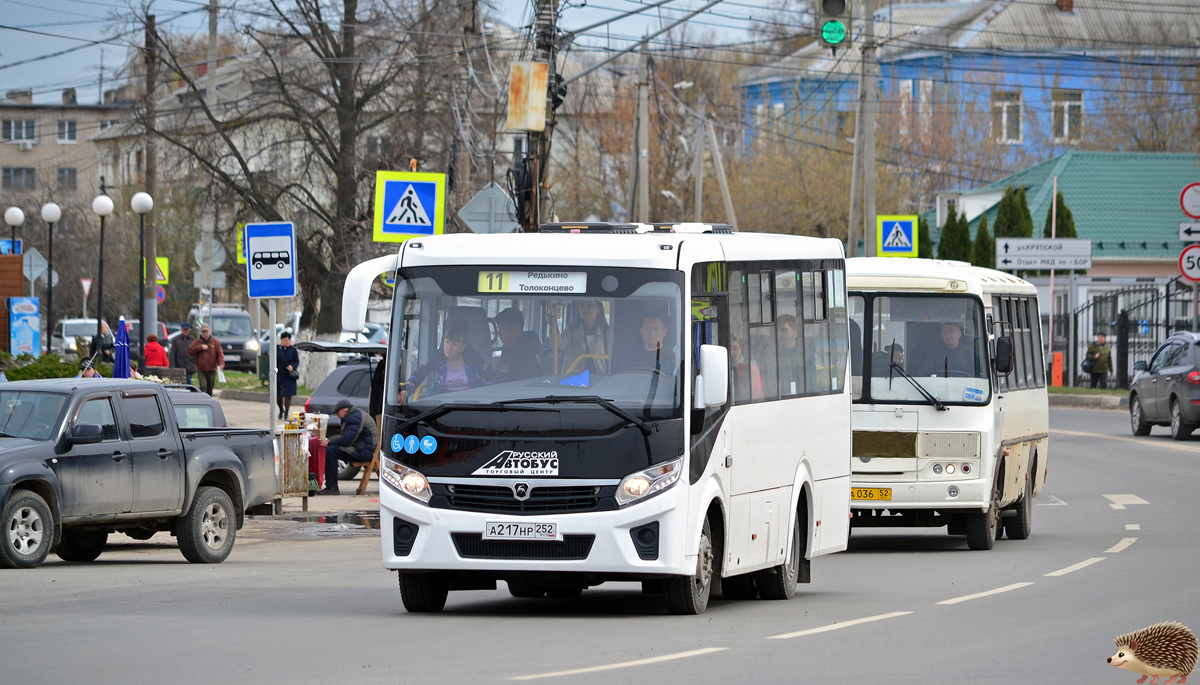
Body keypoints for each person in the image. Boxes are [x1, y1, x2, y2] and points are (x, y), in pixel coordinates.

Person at [398, 320, 488, 403]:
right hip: (441, 407)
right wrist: (406, 390)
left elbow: (491, 377)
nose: (449, 348)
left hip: (472, 406)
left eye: (455, 344)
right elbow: (419, 374)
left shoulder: (473, 357)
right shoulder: (437, 356)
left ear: (463, 347)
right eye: (447, 342)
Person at [317, 400, 377, 495]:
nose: (338, 416)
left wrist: (329, 443)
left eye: (338, 413)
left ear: (344, 410)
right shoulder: (354, 415)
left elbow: (347, 440)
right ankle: (331, 486)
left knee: (331, 451)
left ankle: (332, 487)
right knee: (331, 449)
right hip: (362, 448)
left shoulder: (354, 418)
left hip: (364, 451)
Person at [563, 300, 611, 374]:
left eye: (589, 305)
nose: (584, 309)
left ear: (599, 309)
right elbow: (559, 346)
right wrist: (553, 327)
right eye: (581, 305)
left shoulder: (607, 332)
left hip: (600, 376)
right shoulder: (571, 329)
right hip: (574, 377)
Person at [492, 307, 541, 381]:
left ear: (516, 330)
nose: (499, 333)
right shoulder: (508, 348)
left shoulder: (526, 355)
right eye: (498, 329)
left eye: (502, 329)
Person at [188, 324, 225, 396]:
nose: (205, 333)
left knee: (210, 387)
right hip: (201, 369)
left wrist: (221, 363)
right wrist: (200, 347)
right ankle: (202, 399)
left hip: (212, 368)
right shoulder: (198, 342)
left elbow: (220, 353)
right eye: (203, 332)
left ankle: (209, 400)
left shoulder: (215, 342)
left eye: (206, 332)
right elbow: (190, 351)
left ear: (209, 331)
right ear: (201, 332)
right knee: (203, 386)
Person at [730, 334, 762, 402]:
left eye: (735, 348)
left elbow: (754, 394)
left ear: (740, 349)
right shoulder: (721, 369)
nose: (731, 352)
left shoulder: (750, 368)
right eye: (728, 348)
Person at [276, 332, 301, 420]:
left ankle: (286, 412)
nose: (285, 342)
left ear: (289, 340)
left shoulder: (293, 350)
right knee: (278, 395)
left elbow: (296, 361)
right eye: (283, 340)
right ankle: (281, 409)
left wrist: (292, 366)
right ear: (281, 340)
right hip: (279, 375)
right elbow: (272, 360)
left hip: (289, 376)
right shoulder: (277, 349)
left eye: (287, 340)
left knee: (288, 395)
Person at [777, 314, 802, 395]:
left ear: (795, 330)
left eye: (784, 330)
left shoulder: (804, 352)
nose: (781, 334)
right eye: (779, 330)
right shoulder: (776, 354)